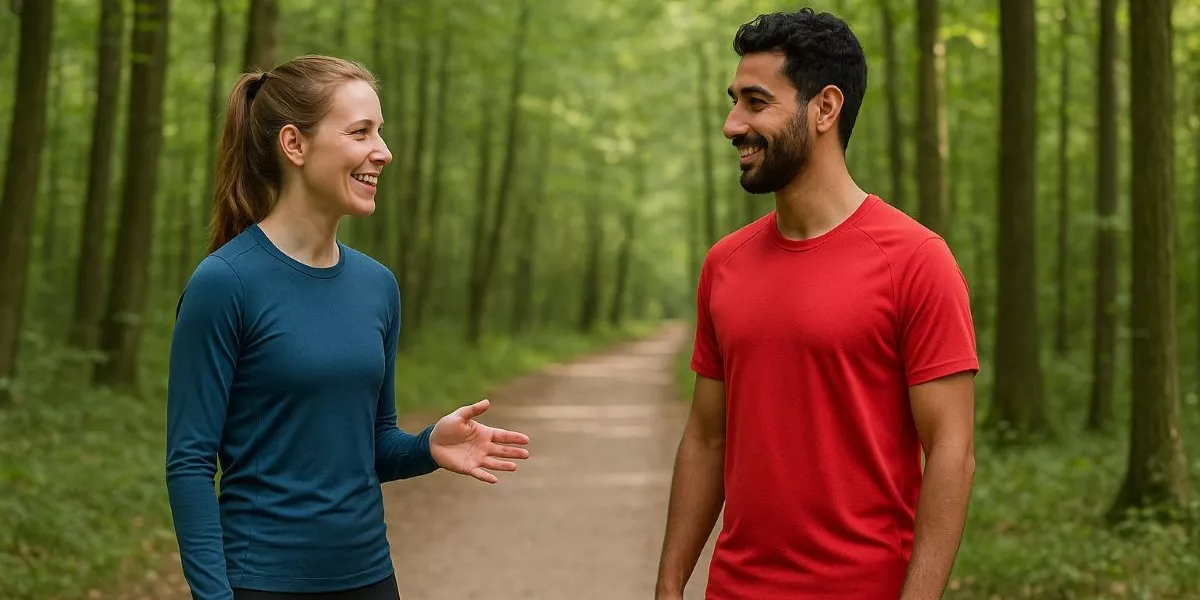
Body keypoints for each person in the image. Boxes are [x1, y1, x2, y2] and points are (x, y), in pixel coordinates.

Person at [165, 55, 531, 600]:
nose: (383, 152)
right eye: (361, 132)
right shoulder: (226, 283)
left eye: (379, 132)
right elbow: (190, 464)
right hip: (261, 582)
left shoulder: (377, 286)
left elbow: (376, 444)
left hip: (370, 577)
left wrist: (429, 446)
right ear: (295, 145)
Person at [655, 9, 977, 600]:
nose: (732, 125)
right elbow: (706, 437)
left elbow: (952, 453)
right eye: (734, 102)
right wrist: (671, 583)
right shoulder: (723, 264)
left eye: (756, 102)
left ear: (825, 108)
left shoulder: (916, 260)